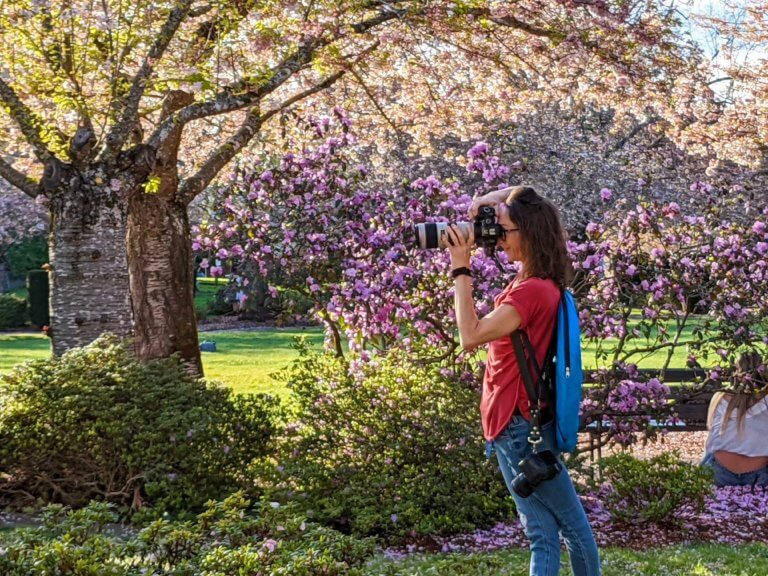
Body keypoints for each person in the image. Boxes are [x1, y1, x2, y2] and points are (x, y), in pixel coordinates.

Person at [445, 185, 600, 576]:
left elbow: (471, 335)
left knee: (573, 530)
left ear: (528, 234)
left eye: (505, 231)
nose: (498, 239)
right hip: (515, 421)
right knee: (542, 533)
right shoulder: (537, 282)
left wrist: (460, 266)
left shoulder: (532, 292)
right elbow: (522, 191)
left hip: (517, 426)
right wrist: (485, 206)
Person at [703, 350, 768, 487]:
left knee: (709, 455)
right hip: (758, 473)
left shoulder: (720, 397)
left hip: (720, 471)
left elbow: (712, 437)